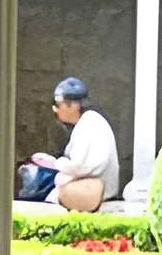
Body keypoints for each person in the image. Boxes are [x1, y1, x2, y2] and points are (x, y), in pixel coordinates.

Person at [28, 74, 119, 214]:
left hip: (95, 191)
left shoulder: (90, 123)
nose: (54, 109)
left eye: (58, 104)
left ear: (73, 105)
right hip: (91, 186)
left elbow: (80, 166)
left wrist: (56, 163)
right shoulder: (87, 122)